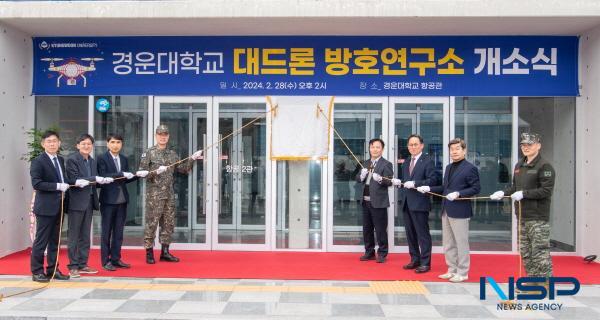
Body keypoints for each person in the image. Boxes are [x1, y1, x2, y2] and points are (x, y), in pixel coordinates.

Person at [490, 133, 555, 282]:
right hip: (522, 215)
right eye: (523, 145)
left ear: (538, 146)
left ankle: (544, 284)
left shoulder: (545, 166)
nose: (526, 147)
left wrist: (524, 194)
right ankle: (532, 281)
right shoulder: (519, 165)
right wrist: (503, 193)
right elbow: (515, 187)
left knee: (539, 252)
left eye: (529, 145)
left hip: (538, 217)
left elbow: (546, 191)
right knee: (526, 252)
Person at [138, 124, 203, 264]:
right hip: (154, 196)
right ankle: (149, 252)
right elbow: (142, 173)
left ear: (168, 136)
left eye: (165, 134)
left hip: (169, 195)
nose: (163, 137)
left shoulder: (173, 154)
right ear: (156, 136)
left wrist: (192, 158)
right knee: (152, 223)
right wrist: (155, 172)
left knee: (168, 224)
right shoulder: (148, 153)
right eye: (160, 134)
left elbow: (183, 169)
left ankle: (165, 252)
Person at [418, 138, 480, 282]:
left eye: (457, 149)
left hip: (461, 210)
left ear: (464, 150)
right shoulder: (449, 167)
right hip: (447, 209)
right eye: (452, 149)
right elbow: (444, 189)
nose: (454, 152)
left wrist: (459, 193)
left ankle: (463, 272)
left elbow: (476, 188)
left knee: (461, 242)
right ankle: (451, 269)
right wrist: (428, 189)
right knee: (448, 243)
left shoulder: (470, 168)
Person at [65, 133, 113, 278]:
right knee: (73, 235)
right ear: (77, 145)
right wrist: (94, 178)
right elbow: (73, 179)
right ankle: (73, 266)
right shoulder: (72, 159)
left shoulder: (92, 161)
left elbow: (94, 181)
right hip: (76, 202)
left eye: (89, 144)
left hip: (89, 202)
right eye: (83, 144)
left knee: (85, 235)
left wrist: (103, 180)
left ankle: (82, 264)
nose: (86, 146)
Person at [391, 134, 438, 273]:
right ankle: (414, 259)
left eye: (415, 144)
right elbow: (406, 182)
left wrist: (416, 183)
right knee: (410, 234)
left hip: (420, 203)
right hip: (406, 203)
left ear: (422, 145)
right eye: (410, 144)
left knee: (422, 234)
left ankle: (425, 262)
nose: (413, 147)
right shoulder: (406, 162)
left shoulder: (428, 161)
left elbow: (433, 180)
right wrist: (399, 183)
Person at [29, 130, 71, 282]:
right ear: (43, 144)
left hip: (59, 206)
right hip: (45, 207)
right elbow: (37, 183)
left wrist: (70, 183)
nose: (52, 144)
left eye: (54, 141)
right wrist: (57, 186)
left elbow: (63, 179)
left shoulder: (60, 160)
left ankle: (53, 269)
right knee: (41, 240)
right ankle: (37, 271)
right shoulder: (38, 161)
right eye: (49, 141)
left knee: (56, 240)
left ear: (59, 143)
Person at [97, 134, 137, 271]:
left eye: (118, 142)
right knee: (106, 231)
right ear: (107, 144)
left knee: (119, 232)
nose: (115, 145)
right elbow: (102, 176)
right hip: (108, 200)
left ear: (122, 144)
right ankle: (105, 260)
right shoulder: (102, 158)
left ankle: (116, 258)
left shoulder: (124, 159)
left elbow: (125, 178)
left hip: (122, 199)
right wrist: (121, 174)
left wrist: (136, 175)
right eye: (112, 142)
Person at [355, 138, 394, 263]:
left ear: (382, 149)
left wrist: (380, 179)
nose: (375, 149)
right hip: (365, 201)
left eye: (377, 147)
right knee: (367, 228)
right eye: (372, 147)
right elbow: (357, 178)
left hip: (379, 201)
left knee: (381, 229)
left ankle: (382, 253)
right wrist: (361, 176)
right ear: (369, 149)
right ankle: (369, 252)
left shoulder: (386, 164)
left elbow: (389, 181)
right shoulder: (365, 163)